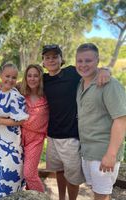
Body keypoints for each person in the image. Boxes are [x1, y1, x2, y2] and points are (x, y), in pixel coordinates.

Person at [42, 44, 111, 200]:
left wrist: (106, 70)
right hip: (52, 136)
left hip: (71, 136)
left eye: (55, 56)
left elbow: (93, 70)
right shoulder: (43, 79)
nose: (51, 60)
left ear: (61, 59)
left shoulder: (72, 72)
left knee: (73, 176)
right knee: (59, 170)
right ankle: (61, 198)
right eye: (47, 57)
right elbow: (26, 84)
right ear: (43, 62)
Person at [75, 43, 126, 200]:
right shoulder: (81, 83)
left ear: (97, 60)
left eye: (88, 60)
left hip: (103, 151)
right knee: (99, 193)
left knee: (101, 195)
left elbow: (121, 119)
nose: (83, 65)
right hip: (88, 151)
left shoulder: (109, 84)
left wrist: (111, 154)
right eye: (80, 61)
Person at [0, 63, 29, 199]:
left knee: (9, 180)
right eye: (7, 76)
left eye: (14, 77)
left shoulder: (16, 96)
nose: (10, 80)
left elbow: (21, 120)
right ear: (1, 75)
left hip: (9, 145)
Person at [20, 64, 49, 192]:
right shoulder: (20, 94)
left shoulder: (47, 95)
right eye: (29, 75)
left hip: (36, 139)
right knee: (19, 172)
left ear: (40, 78)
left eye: (36, 76)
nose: (32, 79)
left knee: (29, 174)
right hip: (19, 137)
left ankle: (41, 196)